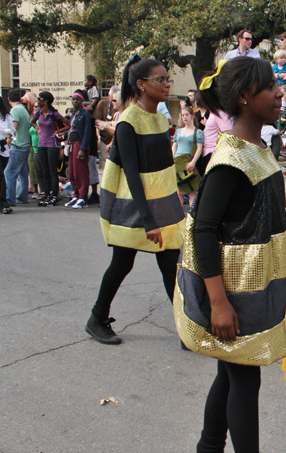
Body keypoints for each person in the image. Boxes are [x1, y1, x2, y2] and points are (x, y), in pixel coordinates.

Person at [190, 55, 286, 453]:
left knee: (230, 372)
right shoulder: (229, 158)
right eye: (270, 88)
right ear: (243, 97)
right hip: (235, 290)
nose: (280, 94)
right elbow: (204, 229)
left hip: (256, 284)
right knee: (244, 376)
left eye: (279, 87)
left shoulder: (258, 148)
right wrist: (218, 302)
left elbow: (249, 208)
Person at [86, 56, 185, 345]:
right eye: (160, 80)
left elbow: (163, 165)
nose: (167, 85)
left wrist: (175, 193)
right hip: (133, 207)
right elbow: (131, 174)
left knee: (170, 264)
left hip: (163, 203)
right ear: (141, 84)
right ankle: (97, 318)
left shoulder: (160, 119)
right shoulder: (128, 121)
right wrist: (148, 219)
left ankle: (187, 328)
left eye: (167, 79)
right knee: (122, 263)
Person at [31, 91, 69, 206]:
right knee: (44, 170)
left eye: (40, 99)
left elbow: (68, 124)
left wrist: (58, 131)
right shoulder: (39, 113)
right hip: (41, 144)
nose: (38, 100)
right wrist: (37, 128)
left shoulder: (54, 114)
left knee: (52, 170)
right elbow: (31, 121)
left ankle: (54, 195)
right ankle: (46, 194)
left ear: (46, 100)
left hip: (52, 144)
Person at [64, 89, 94, 209]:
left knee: (80, 171)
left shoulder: (85, 114)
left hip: (79, 143)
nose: (75, 101)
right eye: (73, 99)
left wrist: (83, 148)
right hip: (71, 143)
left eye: (77, 99)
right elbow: (71, 128)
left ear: (81, 101)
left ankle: (82, 197)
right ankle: (76, 194)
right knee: (72, 171)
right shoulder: (73, 113)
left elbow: (87, 132)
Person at [3, 89, 32, 206]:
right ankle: (22, 197)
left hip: (18, 144)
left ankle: (10, 199)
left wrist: (7, 140)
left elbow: (13, 129)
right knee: (22, 173)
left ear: (8, 99)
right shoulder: (24, 109)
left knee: (9, 173)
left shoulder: (15, 110)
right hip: (25, 144)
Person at [172, 106, 204, 205]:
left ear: (192, 116)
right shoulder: (178, 131)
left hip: (188, 162)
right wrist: (172, 159)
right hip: (177, 162)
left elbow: (199, 148)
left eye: (186, 115)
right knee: (178, 192)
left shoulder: (198, 132)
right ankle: (178, 214)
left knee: (192, 192)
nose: (184, 117)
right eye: (183, 115)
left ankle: (191, 213)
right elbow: (174, 146)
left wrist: (193, 162)